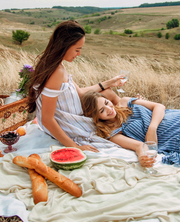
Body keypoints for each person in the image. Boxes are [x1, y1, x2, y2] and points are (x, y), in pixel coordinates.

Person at [28, 20, 124, 152]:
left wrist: (109, 82)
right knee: (115, 127)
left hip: (76, 114)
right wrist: (76, 146)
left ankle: (134, 118)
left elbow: (80, 93)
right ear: (64, 46)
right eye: (77, 50)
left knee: (107, 92)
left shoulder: (56, 64)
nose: (79, 54)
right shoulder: (56, 72)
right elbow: (46, 119)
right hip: (70, 123)